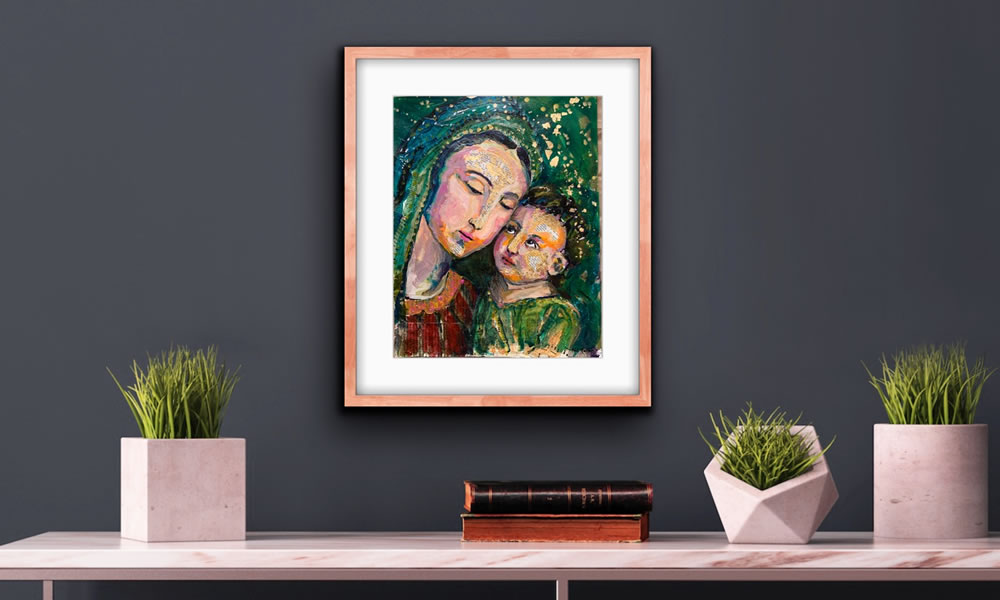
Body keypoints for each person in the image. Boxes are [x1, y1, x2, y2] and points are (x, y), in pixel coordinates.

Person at [393, 97, 542, 357]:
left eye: (505, 205)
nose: (481, 220)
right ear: (431, 172)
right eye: (474, 188)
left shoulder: (475, 309)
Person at [473, 186, 582, 357]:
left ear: (556, 265)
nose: (512, 246)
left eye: (531, 243)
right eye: (511, 229)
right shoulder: (483, 295)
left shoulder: (557, 315)